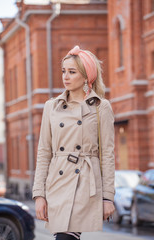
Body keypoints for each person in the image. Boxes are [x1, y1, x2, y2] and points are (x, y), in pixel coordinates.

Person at [32, 45, 115, 240]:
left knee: (66, 238)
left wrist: (108, 197)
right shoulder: (51, 106)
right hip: (57, 182)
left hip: (84, 183)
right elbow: (44, 152)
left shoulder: (101, 107)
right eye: (63, 71)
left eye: (72, 72)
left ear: (86, 76)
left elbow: (107, 155)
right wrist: (39, 195)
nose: (65, 77)